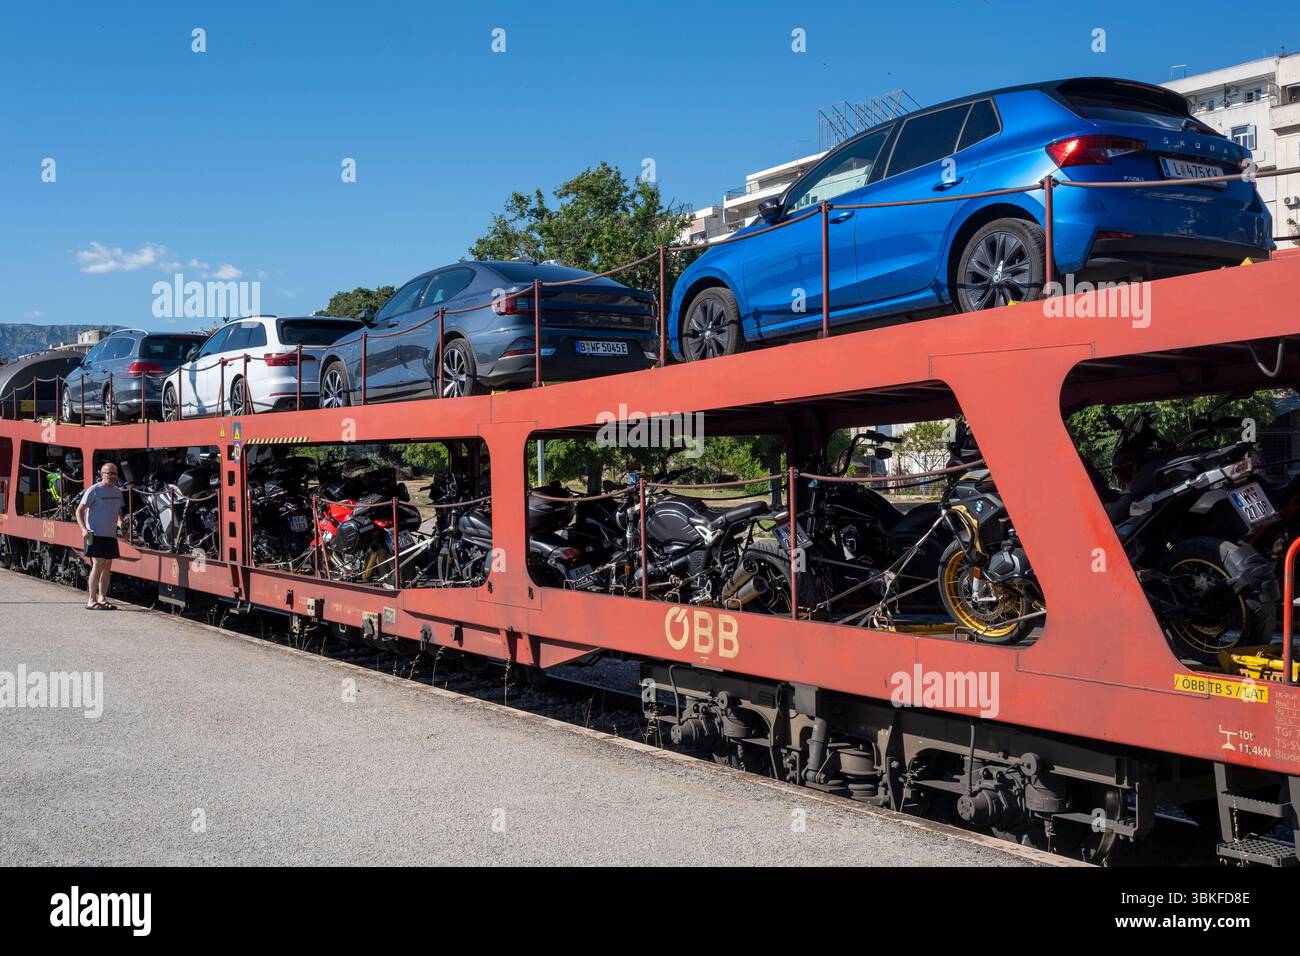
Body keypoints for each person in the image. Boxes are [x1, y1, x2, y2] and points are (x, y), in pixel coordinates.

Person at [75, 462, 125, 610]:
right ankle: (91, 600)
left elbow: (118, 513)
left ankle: (102, 598)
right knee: (97, 564)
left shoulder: (117, 492)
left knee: (107, 566)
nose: (112, 476)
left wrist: (122, 525)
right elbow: (79, 510)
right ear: (101, 474)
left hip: (110, 535)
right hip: (93, 534)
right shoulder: (94, 490)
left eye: (114, 473)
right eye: (109, 473)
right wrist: (83, 528)